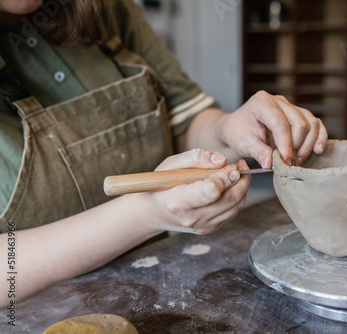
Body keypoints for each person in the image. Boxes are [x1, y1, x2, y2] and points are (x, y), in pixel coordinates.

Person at [0, 0, 327, 306]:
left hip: (148, 291)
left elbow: (183, 120)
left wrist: (228, 128)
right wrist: (144, 214)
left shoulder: (105, 7)